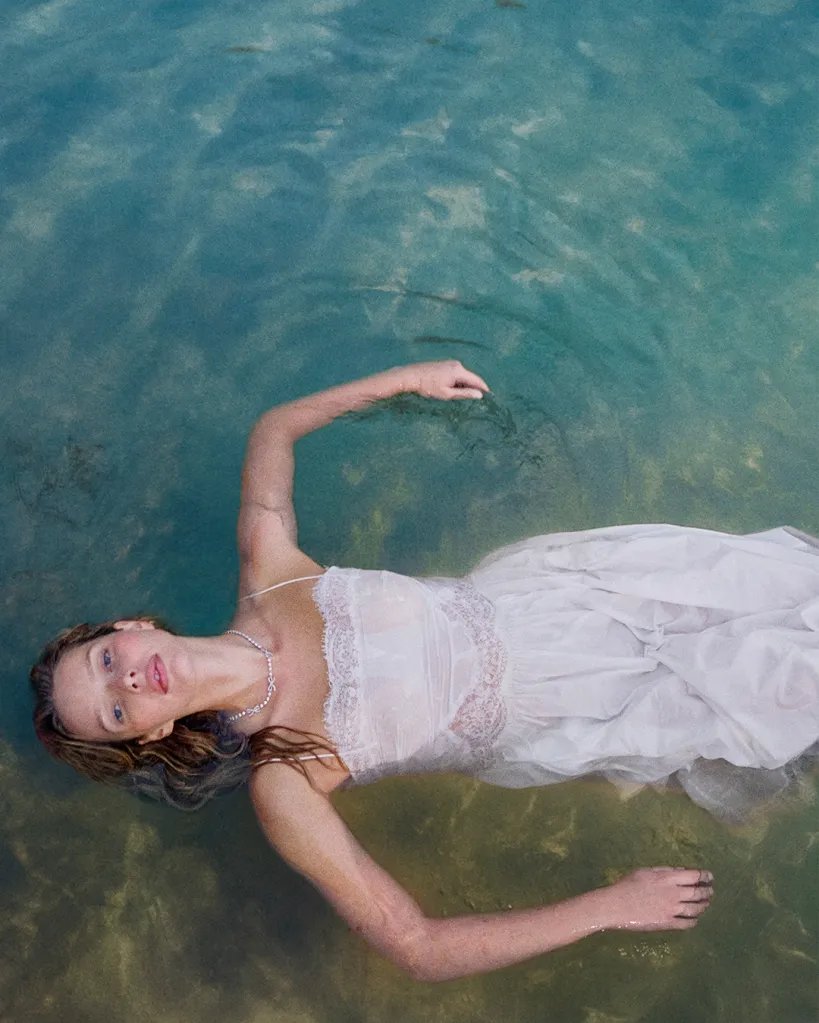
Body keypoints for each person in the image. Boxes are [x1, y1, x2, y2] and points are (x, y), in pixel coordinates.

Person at [31, 360, 819, 980]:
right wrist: (610, 906)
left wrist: (406, 380)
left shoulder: (269, 573)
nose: (124, 681)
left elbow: (273, 429)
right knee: (785, 692)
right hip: (581, 707)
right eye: (114, 711)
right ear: (151, 732)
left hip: (560, 589)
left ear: (131, 627)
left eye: (105, 660)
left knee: (786, 591)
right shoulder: (283, 780)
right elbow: (414, 945)